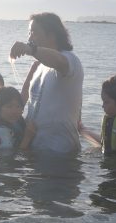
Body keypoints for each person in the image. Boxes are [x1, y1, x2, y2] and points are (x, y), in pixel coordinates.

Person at [10, 12, 84, 154]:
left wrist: (31, 50)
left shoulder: (70, 60)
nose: (29, 38)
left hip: (60, 153)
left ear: (51, 35)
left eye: (34, 33)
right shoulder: (39, 65)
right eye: (29, 33)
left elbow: (59, 61)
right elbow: (23, 100)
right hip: (34, 149)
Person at [0, 86, 36, 151]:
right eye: (9, 106)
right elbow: (7, 158)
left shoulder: (12, 120)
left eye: (18, 106)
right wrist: (27, 137)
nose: (14, 111)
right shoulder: (0, 131)